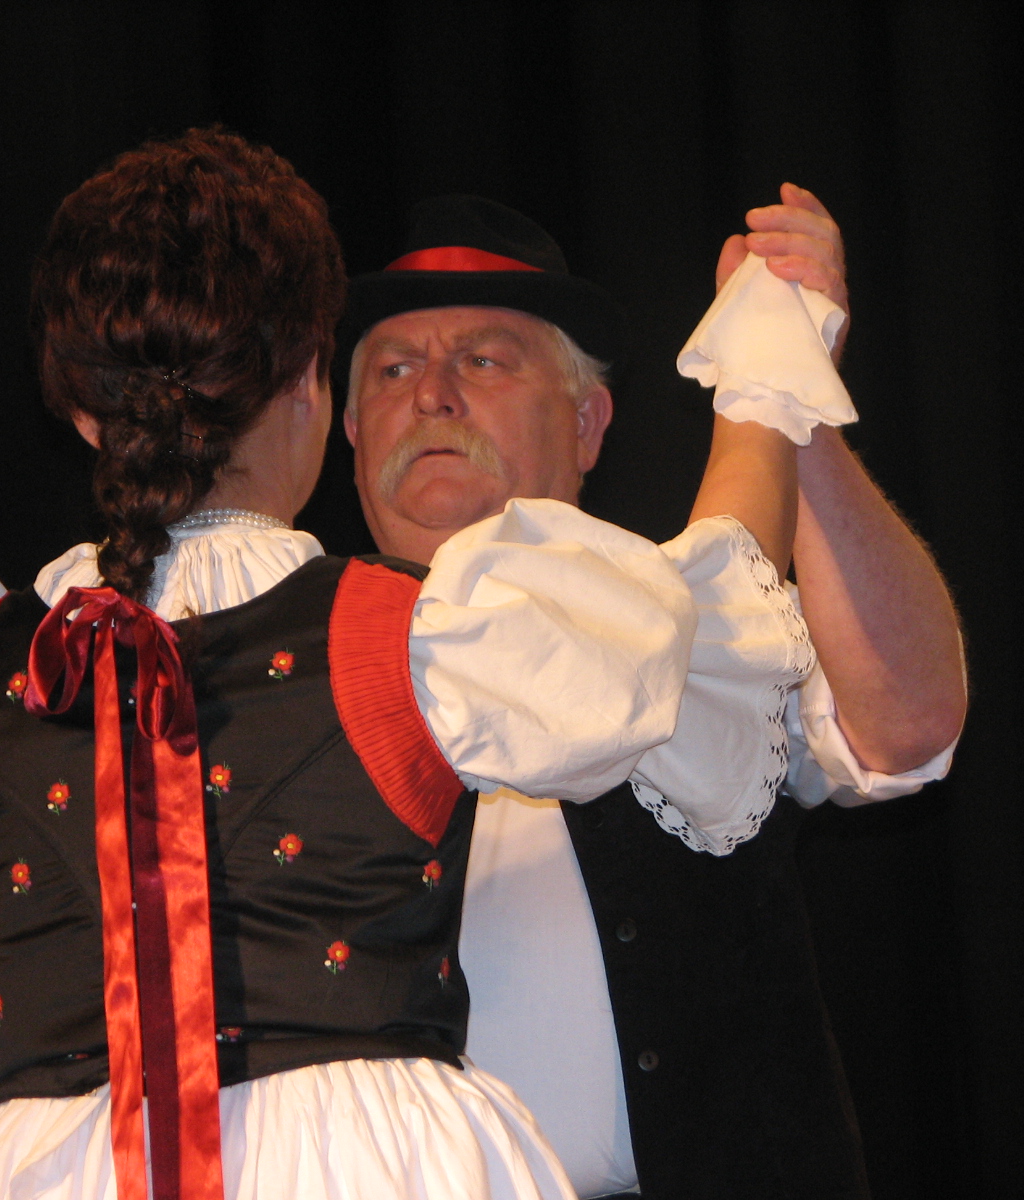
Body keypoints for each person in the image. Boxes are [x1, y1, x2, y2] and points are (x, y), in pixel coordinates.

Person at [0, 129, 812, 1200]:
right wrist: (766, 371)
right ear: (310, 378)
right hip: (365, 1168)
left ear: (81, 414)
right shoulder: (399, 635)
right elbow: (712, 607)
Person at [331, 190, 965, 1199]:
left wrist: (792, 397)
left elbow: (907, 726)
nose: (434, 395)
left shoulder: (701, 629)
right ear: (349, 431)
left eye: (483, 361)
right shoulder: (280, 661)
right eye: (394, 369)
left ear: (587, 423)